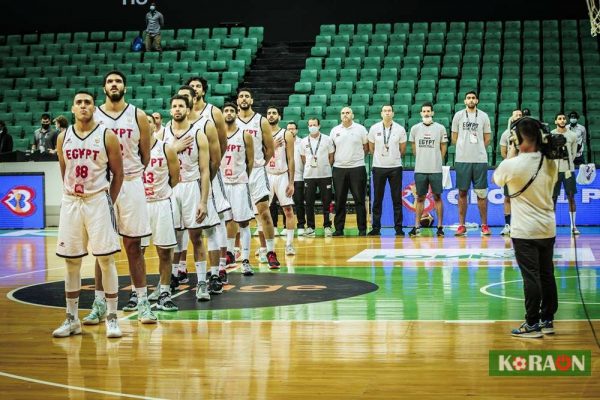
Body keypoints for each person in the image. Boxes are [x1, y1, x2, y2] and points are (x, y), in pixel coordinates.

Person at [84, 70, 155, 325]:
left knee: (134, 246)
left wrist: (128, 172)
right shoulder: (94, 115)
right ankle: (99, 303)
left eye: (118, 81)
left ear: (125, 86)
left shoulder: (138, 115)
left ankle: (143, 302)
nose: (114, 85)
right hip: (102, 185)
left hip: (132, 183)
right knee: (103, 249)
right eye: (110, 81)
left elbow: (145, 154)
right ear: (104, 88)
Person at [53, 90, 124, 338]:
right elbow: (65, 172)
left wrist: (107, 202)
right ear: (72, 109)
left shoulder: (108, 136)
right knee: (71, 262)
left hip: (98, 201)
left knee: (106, 260)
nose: (83, 106)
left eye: (88, 103)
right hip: (72, 201)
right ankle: (71, 318)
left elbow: (119, 174)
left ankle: (112, 318)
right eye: (79, 103)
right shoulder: (63, 137)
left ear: (94, 108)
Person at [493, 117, 558, 338]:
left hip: (525, 230)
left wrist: (511, 153)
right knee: (547, 274)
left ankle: (532, 324)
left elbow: (498, 180)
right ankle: (548, 319)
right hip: (548, 227)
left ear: (519, 139)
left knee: (531, 277)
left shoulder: (512, 164)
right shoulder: (550, 161)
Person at [164, 89, 222, 301]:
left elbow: (206, 170)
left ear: (188, 110)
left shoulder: (198, 134)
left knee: (196, 236)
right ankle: (168, 281)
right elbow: (157, 162)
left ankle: (202, 283)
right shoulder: (162, 133)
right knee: (169, 238)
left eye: (181, 106)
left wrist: (204, 201)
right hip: (170, 188)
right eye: (175, 106)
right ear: (171, 110)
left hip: (191, 186)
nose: (178, 109)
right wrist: (173, 148)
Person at [186, 76, 231, 272]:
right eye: (191, 86)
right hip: (187, 177)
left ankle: (220, 265)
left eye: (198, 86)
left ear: (203, 91)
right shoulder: (181, 115)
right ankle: (180, 269)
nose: (194, 89)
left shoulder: (213, 113)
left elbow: (222, 144)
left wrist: (211, 172)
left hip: (210, 171)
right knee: (188, 224)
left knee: (216, 218)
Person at [236, 88, 280, 268]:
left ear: (251, 100)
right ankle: (233, 251)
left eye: (247, 96)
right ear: (237, 101)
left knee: (264, 212)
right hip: (238, 174)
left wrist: (259, 163)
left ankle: (270, 251)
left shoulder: (260, 121)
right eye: (241, 96)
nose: (244, 99)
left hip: (256, 172)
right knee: (235, 216)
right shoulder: (229, 121)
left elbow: (269, 149)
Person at [142, 120, 181, 311]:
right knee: (136, 252)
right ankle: (137, 294)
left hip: (161, 204)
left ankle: (164, 293)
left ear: (154, 126)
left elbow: (175, 178)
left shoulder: (167, 149)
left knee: (165, 251)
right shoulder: (132, 150)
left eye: (150, 121)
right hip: (140, 205)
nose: (146, 123)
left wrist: (160, 192)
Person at [451, 91, 492, 236]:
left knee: (482, 193)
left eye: (473, 98)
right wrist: (465, 147)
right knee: (462, 192)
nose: (471, 100)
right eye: (468, 98)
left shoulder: (483, 116)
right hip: (462, 159)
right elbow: (454, 137)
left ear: (477, 100)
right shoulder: (458, 115)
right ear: (464, 101)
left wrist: (477, 147)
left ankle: (484, 225)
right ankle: (461, 225)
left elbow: (487, 138)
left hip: (479, 159)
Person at [221, 102, 255, 275]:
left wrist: (242, 177)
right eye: (225, 110)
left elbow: (250, 161)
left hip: (240, 184)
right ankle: (228, 253)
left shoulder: (245, 135)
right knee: (226, 222)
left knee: (243, 221)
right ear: (221, 114)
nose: (228, 113)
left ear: (236, 114)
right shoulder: (218, 136)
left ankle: (246, 259)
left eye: (231, 111)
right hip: (223, 184)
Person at [408, 102, 448, 237]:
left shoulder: (440, 128)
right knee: (420, 197)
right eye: (424, 111)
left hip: (435, 169)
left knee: (437, 196)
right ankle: (416, 226)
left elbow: (443, 147)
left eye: (428, 111)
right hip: (420, 169)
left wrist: (437, 160)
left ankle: (440, 227)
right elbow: (414, 148)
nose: (426, 113)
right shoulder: (414, 129)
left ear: (432, 113)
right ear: (421, 113)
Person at [367, 105, 407, 236]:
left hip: (395, 167)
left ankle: (398, 227)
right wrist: (381, 158)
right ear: (381, 113)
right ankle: (376, 227)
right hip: (378, 167)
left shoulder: (400, 129)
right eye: (385, 111)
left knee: (397, 199)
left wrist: (392, 158)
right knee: (377, 199)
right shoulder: (374, 128)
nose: (387, 113)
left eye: (389, 111)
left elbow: (402, 150)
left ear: (393, 113)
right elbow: (371, 148)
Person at [330, 107, 369, 236]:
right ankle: (339, 229)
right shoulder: (334, 130)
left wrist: (356, 160)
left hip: (357, 168)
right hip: (339, 169)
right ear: (340, 116)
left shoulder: (361, 129)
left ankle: (362, 229)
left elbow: (366, 147)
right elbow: (332, 149)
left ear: (352, 115)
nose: (345, 115)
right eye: (343, 113)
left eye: (347, 113)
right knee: (339, 200)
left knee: (359, 200)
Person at [266, 106, 297, 255]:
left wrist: (291, 182)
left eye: (274, 113)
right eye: (269, 113)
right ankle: (265, 246)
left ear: (279, 116)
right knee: (263, 212)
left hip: (282, 175)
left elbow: (291, 159)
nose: (271, 116)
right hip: (267, 174)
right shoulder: (262, 134)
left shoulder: (286, 134)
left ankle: (289, 244)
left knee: (288, 210)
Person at [300, 118, 335, 237]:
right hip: (309, 176)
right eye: (310, 125)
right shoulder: (304, 141)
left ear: (319, 126)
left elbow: (331, 156)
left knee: (327, 202)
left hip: (325, 175)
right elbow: (303, 158)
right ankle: (310, 227)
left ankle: (327, 226)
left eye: (314, 125)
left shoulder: (327, 139)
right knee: (309, 202)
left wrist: (324, 166)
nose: (312, 127)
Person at [551, 112, 579, 235]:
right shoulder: (551, 135)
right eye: (559, 119)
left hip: (568, 170)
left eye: (564, 119)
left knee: (571, 197)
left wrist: (567, 164)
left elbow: (573, 154)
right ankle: (551, 226)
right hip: (554, 171)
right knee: (553, 198)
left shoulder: (572, 135)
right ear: (556, 121)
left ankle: (573, 226)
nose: (562, 120)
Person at [498, 109, 523, 236]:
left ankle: (522, 225)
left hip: (523, 170)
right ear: (511, 118)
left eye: (520, 115)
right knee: (508, 197)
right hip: (510, 170)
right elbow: (503, 152)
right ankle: (508, 225)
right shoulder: (505, 134)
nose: (518, 117)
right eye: (516, 115)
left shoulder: (527, 133)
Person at [289, 121, 306, 236]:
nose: (291, 131)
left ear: (297, 130)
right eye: (289, 129)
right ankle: (286, 226)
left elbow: (305, 161)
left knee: (299, 202)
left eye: (293, 129)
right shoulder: (283, 142)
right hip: (285, 178)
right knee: (286, 204)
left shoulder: (302, 143)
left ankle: (301, 225)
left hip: (299, 177)